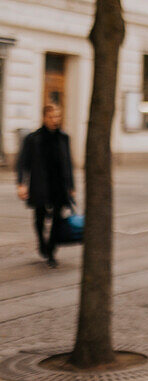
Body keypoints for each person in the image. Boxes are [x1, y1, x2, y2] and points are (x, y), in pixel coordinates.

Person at [16, 104, 75, 268]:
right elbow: (23, 162)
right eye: (52, 117)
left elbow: (68, 163)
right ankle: (42, 242)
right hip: (40, 185)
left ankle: (51, 252)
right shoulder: (33, 138)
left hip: (58, 186)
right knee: (39, 218)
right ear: (44, 117)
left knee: (57, 220)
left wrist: (71, 186)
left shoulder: (63, 138)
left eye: (58, 116)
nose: (55, 120)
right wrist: (21, 183)